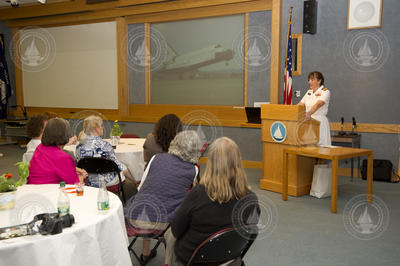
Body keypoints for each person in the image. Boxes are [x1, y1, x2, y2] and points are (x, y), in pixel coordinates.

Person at [164, 137, 259, 266]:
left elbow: (176, 229)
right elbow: (250, 231)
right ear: (238, 162)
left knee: (170, 234)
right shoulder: (251, 199)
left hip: (194, 260)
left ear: (211, 163)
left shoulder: (197, 194)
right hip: (230, 258)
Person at [125, 130, 202, 264]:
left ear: (175, 143)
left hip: (134, 218)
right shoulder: (193, 169)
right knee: (179, 210)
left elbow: (140, 187)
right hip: (162, 225)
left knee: (147, 199)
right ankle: (168, 261)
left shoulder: (156, 158)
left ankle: (145, 252)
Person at [76, 115, 134, 188]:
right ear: (96, 129)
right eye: (101, 126)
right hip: (108, 183)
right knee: (125, 172)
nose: (102, 128)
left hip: (89, 182)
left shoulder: (79, 146)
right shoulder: (105, 145)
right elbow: (118, 165)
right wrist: (134, 178)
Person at [27, 118, 88, 184]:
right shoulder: (63, 157)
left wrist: (75, 169)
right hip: (49, 191)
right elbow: (75, 184)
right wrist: (82, 176)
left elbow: (51, 166)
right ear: (66, 135)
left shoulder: (40, 147)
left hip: (32, 188)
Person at [298, 71, 331, 146]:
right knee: (309, 147)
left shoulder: (325, 91)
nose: (309, 82)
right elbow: (299, 105)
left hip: (319, 122)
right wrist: (289, 110)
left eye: (312, 80)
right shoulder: (309, 92)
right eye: (309, 80)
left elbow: (318, 104)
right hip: (308, 122)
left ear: (319, 81)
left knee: (321, 147)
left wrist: (308, 113)